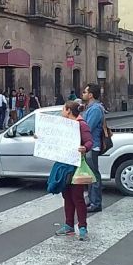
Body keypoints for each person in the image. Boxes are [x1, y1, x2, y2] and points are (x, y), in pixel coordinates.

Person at [49, 101, 93, 241]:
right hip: (64, 164)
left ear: (68, 110)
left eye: (63, 109)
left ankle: (82, 227)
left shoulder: (81, 124)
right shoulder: (65, 125)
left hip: (76, 165)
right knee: (67, 196)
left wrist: (84, 148)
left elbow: (89, 142)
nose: (62, 111)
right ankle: (69, 225)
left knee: (77, 197)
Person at [81, 83, 104, 213]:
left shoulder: (95, 109)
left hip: (92, 146)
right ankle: (92, 200)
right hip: (89, 146)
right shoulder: (90, 108)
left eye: (85, 92)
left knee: (94, 176)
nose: (83, 94)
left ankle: (96, 203)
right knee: (90, 175)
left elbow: (88, 127)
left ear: (90, 95)